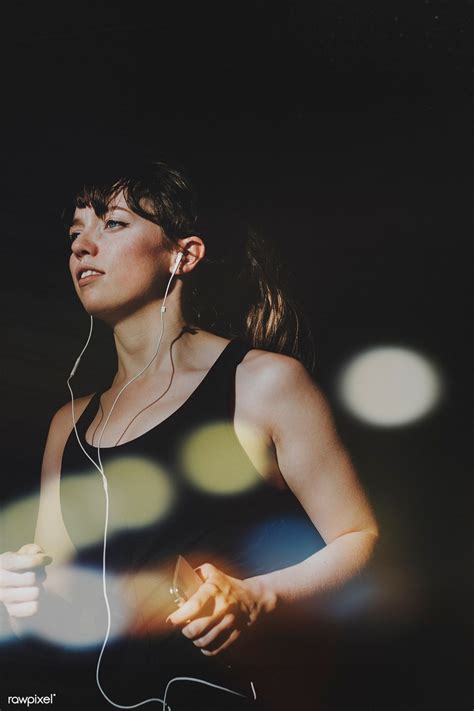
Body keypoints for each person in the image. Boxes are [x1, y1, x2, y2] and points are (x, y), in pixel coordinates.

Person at [0, 161, 379, 710]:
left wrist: (257, 597)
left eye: (112, 223)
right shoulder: (70, 423)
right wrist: (16, 593)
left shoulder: (262, 382)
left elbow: (359, 537)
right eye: (75, 231)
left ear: (184, 254)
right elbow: (60, 595)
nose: (82, 245)